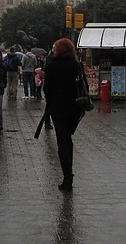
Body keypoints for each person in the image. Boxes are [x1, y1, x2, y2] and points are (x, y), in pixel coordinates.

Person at [44, 38, 87, 191]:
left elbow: (47, 89)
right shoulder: (76, 65)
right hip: (75, 107)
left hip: (58, 108)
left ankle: (67, 176)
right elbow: (84, 85)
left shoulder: (51, 66)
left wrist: (50, 103)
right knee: (68, 139)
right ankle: (69, 173)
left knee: (62, 140)